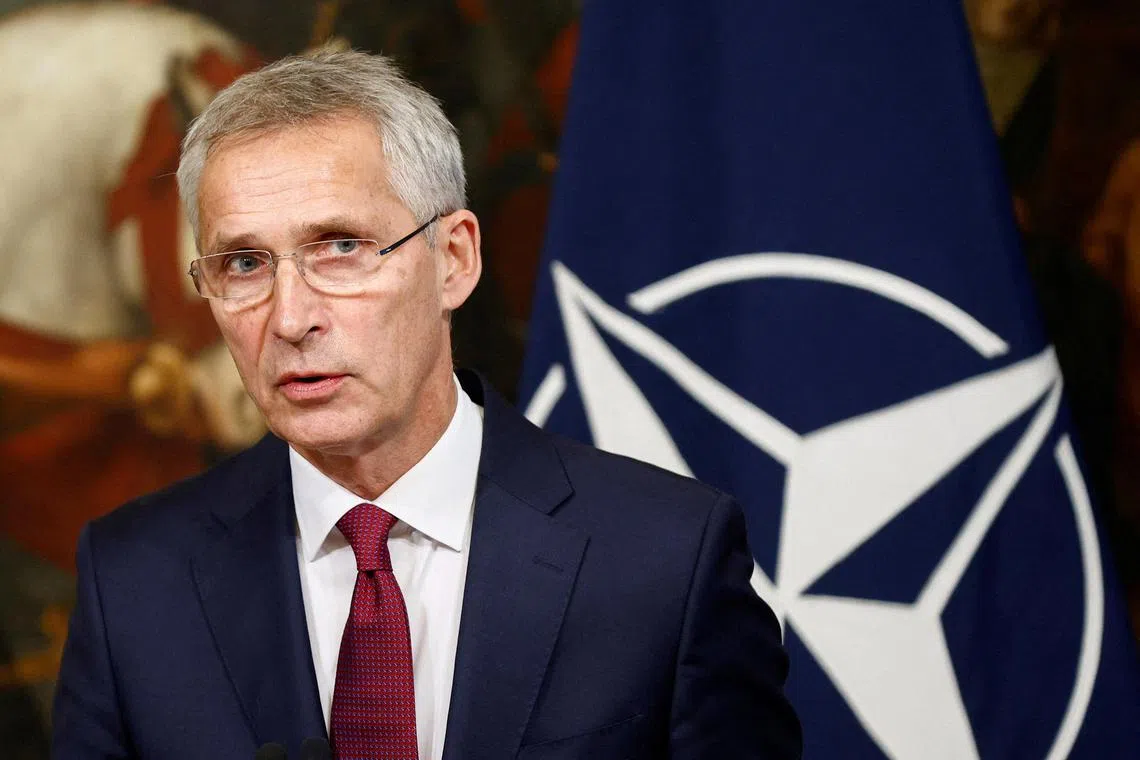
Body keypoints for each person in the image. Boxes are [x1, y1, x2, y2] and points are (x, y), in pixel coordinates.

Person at [51, 50, 802, 760]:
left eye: (339, 247)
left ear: (454, 260)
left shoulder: (664, 560)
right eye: (244, 263)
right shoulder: (134, 582)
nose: (289, 318)